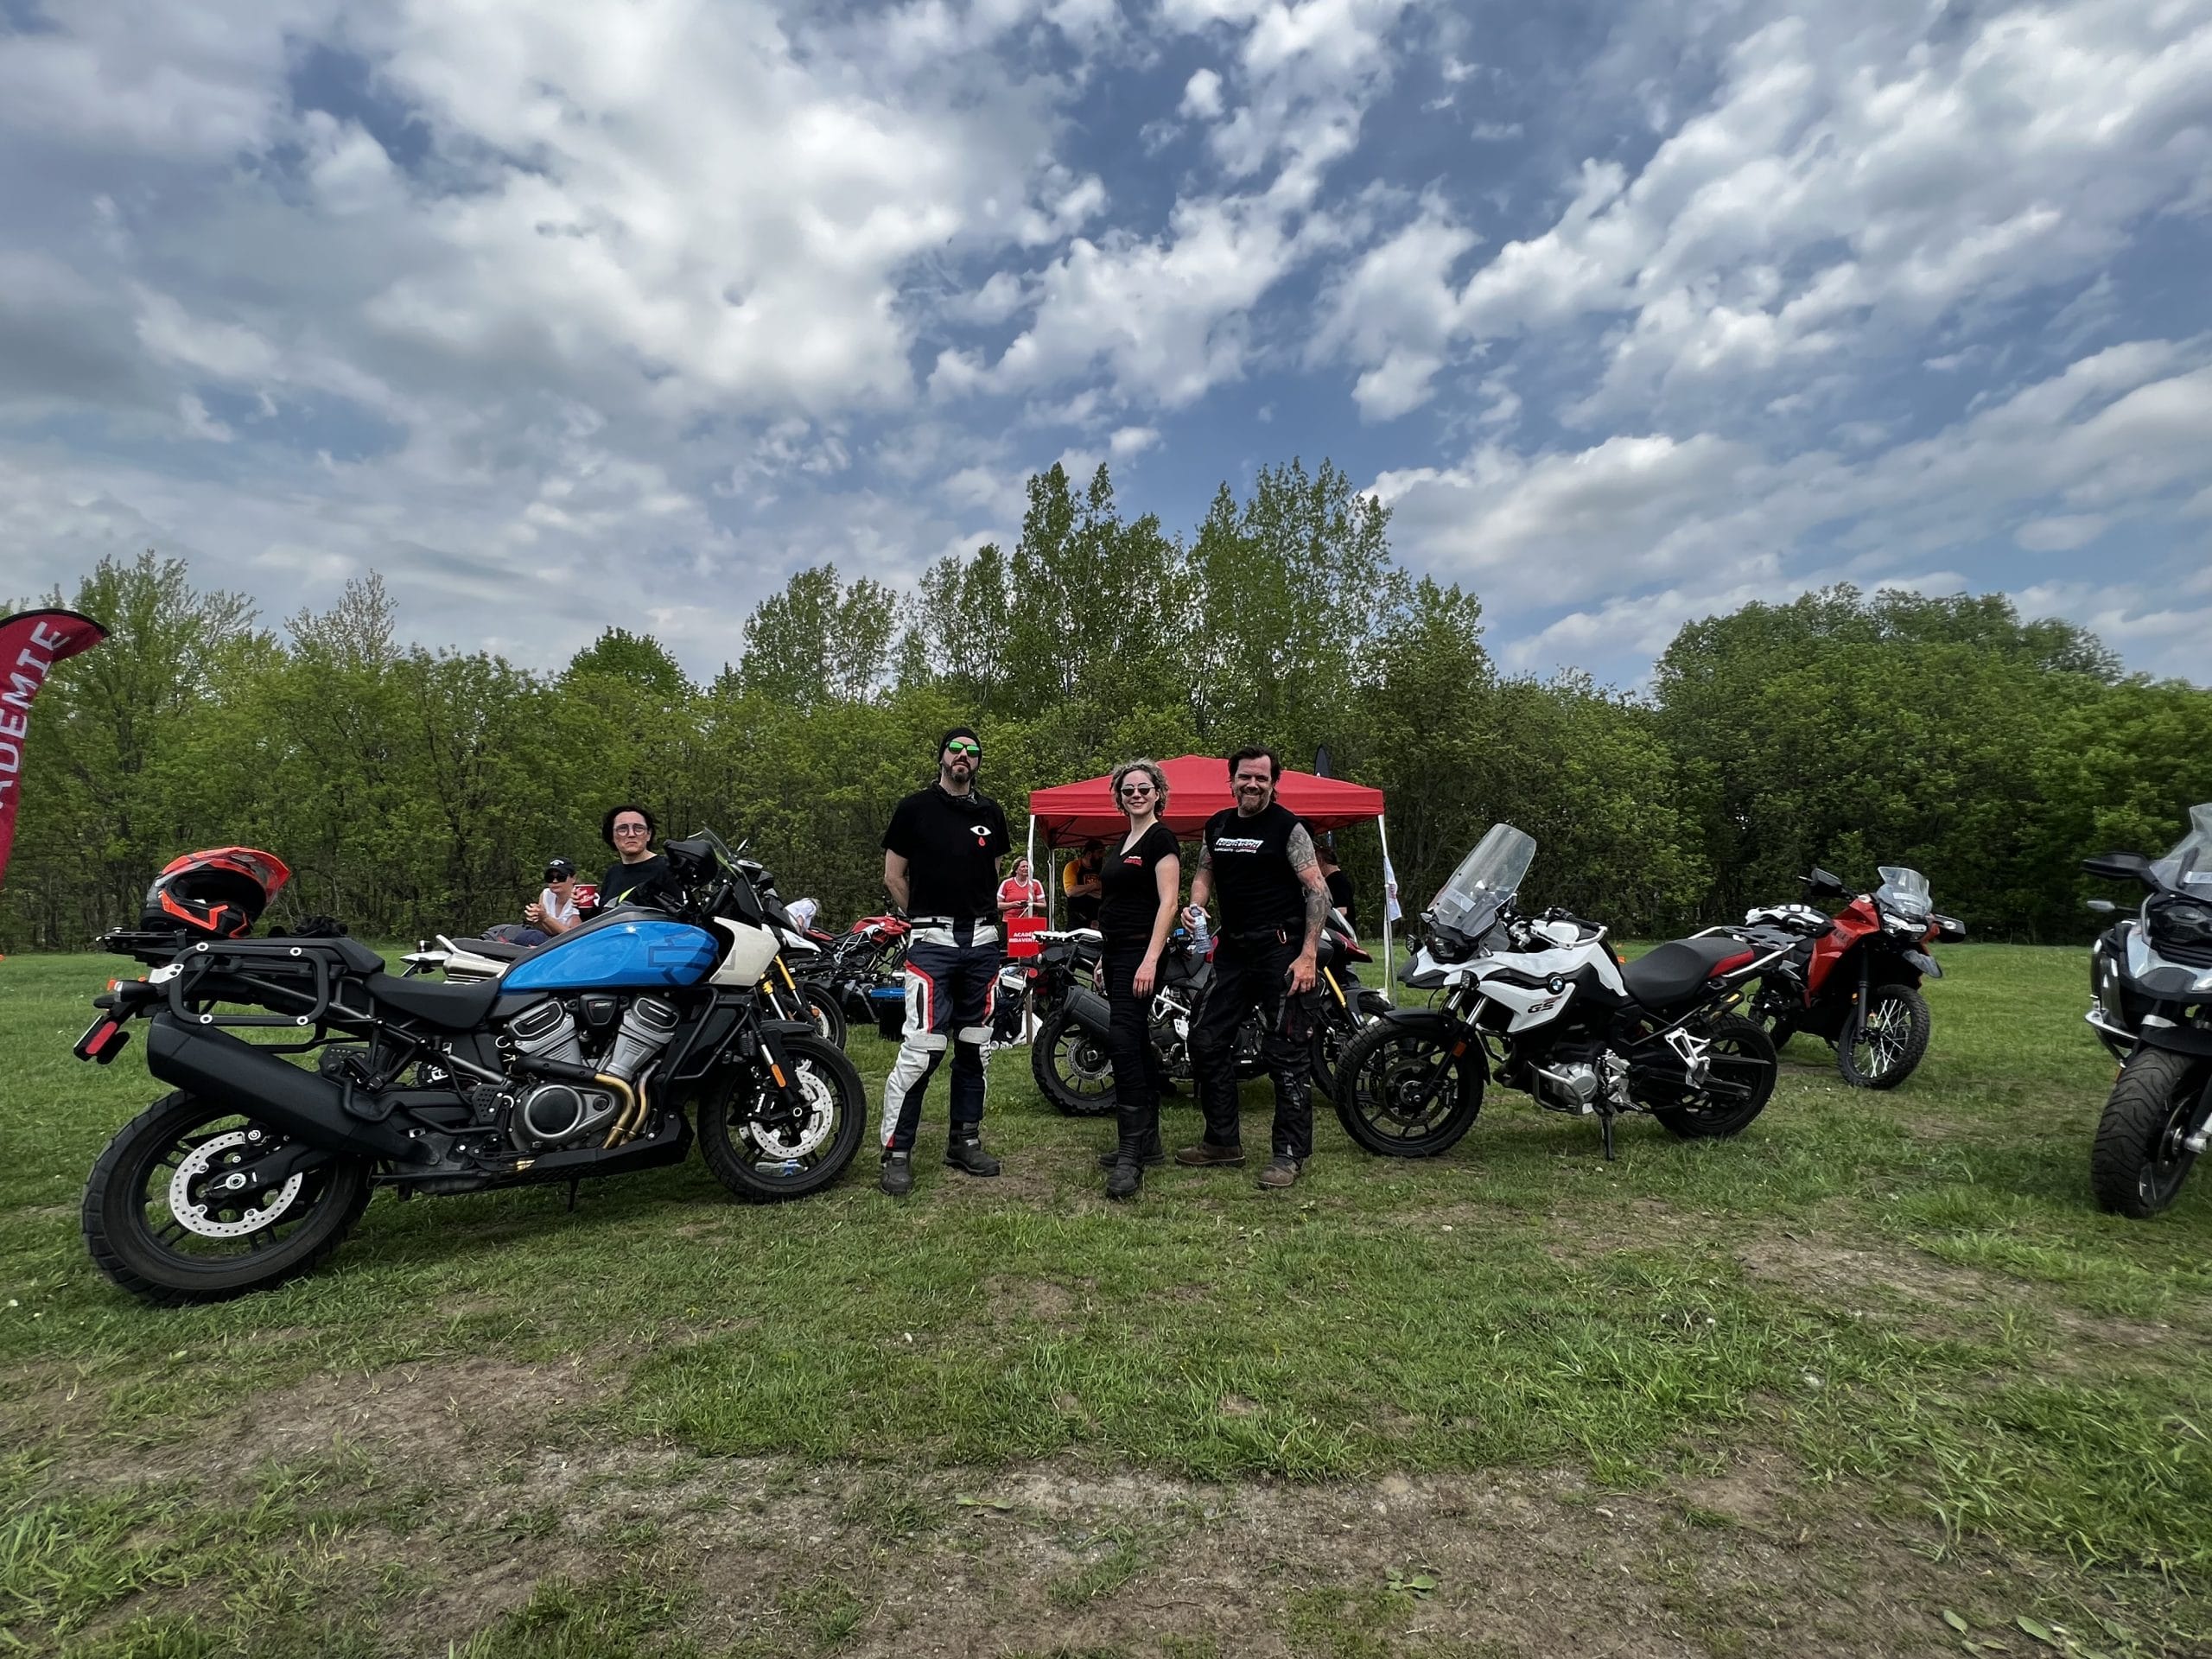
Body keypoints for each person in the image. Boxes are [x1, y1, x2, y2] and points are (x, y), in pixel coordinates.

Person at [1179, 747, 1332, 1190]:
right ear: (1231, 781)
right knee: (1206, 1038)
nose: (1252, 785)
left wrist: (1308, 955)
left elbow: (1316, 890)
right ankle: (1223, 1141)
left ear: (1273, 784)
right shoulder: (1218, 825)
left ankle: (1287, 1155)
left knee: (1286, 1054)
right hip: (1232, 951)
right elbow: (1205, 873)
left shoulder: (1289, 827)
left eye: (1261, 779)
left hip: (1281, 953)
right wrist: (1195, 906)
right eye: (1245, 777)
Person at [878, 726, 1011, 1198]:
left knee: (976, 1045)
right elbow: (894, 875)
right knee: (922, 1048)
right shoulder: (914, 808)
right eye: (956, 749)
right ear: (942, 757)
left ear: (977, 762)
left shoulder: (990, 812)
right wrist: (920, 919)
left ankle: (965, 1140)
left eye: (973, 752)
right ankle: (896, 1153)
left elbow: (991, 873)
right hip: (931, 940)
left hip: (981, 942)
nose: (963, 757)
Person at [1094, 760, 1180, 1198]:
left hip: (1142, 954)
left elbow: (1168, 904)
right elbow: (1114, 901)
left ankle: (1131, 1154)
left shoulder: (1161, 838)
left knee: (1124, 1040)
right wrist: (1103, 958)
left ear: (1157, 793)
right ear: (1119, 797)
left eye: (1144, 788)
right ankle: (1149, 1142)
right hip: (1117, 953)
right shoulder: (1120, 842)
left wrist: (1150, 960)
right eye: (1129, 790)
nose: (1136, 795)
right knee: (1134, 1041)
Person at [593, 804, 674, 912]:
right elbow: (604, 918)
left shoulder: (668, 869)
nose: (631, 834)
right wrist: (586, 911)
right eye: (622, 829)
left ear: (649, 834)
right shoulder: (613, 873)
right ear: (612, 836)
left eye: (638, 828)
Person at [517, 859, 584, 944]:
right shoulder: (546, 894)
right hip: (550, 940)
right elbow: (550, 931)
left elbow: (574, 936)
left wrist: (545, 918)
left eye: (560, 877)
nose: (554, 881)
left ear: (573, 878)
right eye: (550, 878)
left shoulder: (581, 897)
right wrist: (536, 920)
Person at [1317, 839, 1357, 932]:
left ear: (1321, 861)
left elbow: (1342, 910)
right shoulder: (1334, 879)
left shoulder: (1338, 881)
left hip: (1341, 934)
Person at [1063, 840, 1104, 928]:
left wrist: (1083, 890)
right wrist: (1095, 886)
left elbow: (1104, 892)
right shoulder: (1073, 866)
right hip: (1077, 919)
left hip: (1097, 919)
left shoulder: (1101, 869)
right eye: (1099, 852)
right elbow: (1070, 891)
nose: (1102, 856)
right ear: (1089, 854)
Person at [996, 856, 1046, 920]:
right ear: (1016, 870)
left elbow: (1043, 904)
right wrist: (1012, 904)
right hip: (1010, 921)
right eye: (1023, 867)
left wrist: (1031, 904)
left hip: (1030, 920)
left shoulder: (1036, 883)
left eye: (1027, 867)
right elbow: (998, 905)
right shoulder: (1006, 883)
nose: (1026, 868)